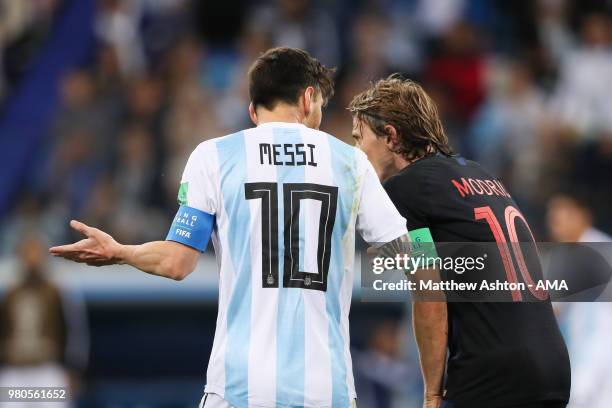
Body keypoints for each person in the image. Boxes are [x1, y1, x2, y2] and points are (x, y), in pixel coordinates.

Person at [50, 47, 409, 408]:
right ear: (308, 98)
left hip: (239, 387)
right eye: (320, 108)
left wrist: (121, 252)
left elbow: (177, 263)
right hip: (325, 389)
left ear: (253, 111)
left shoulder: (215, 156)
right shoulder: (350, 162)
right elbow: (408, 256)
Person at [348, 75, 571, 408]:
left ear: (390, 136)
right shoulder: (481, 175)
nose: (355, 152)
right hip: (552, 369)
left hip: (493, 376)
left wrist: (432, 392)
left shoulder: (405, 189)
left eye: (359, 138)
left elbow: (429, 296)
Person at [0, 233, 89, 408]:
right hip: (14, 371)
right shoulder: (10, 294)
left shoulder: (58, 291)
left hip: (48, 371)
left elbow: (74, 332)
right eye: (27, 253)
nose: (32, 259)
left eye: (36, 253)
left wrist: (74, 369)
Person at [547, 192, 612, 408]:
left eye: (562, 218)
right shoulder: (565, 256)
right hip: (579, 364)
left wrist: (582, 386)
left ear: (582, 215)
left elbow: (601, 330)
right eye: (553, 219)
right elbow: (554, 311)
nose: (556, 226)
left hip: (598, 371)